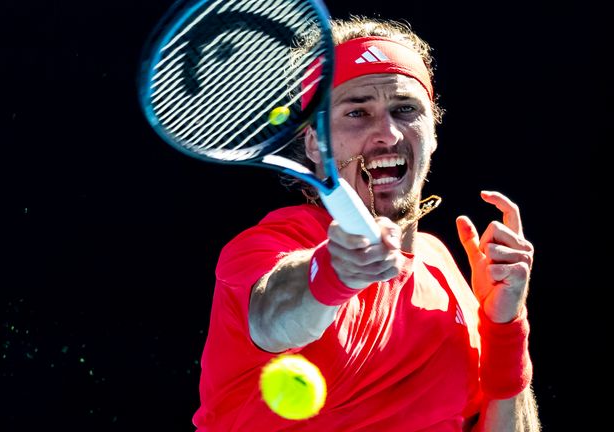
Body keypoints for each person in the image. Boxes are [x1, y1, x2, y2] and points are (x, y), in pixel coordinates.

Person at [192, 16, 540, 431]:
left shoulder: (445, 268)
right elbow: (273, 316)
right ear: (313, 145)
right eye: (357, 112)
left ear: (433, 132)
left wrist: (504, 327)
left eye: (405, 109)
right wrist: (335, 273)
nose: (388, 134)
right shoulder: (269, 246)